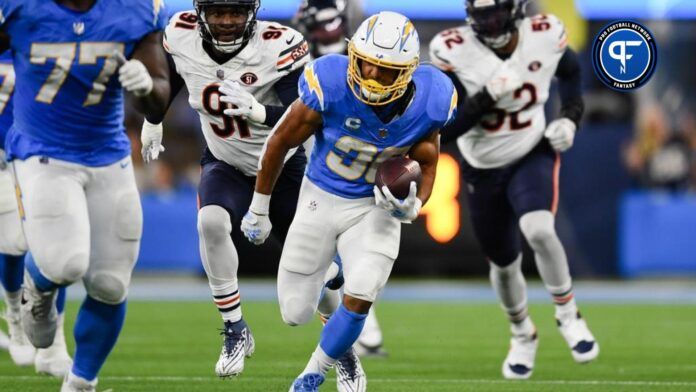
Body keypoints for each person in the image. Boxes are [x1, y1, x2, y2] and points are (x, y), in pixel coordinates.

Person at [140, 0, 360, 383]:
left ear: (253, 12)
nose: (227, 21)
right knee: (210, 222)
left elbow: (306, 112)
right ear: (201, 12)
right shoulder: (180, 34)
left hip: (280, 167)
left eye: (236, 12)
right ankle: (235, 327)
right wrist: (153, 119)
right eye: (218, 12)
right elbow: (175, 73)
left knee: (320, 272)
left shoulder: (278, 45)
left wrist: (260, 113)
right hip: (224, 160)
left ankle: (339, 347)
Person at [241, 11, 457, 391]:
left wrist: (416, 203)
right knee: (294, 313)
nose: (372, 79)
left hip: (375, 206)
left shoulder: (431, 100)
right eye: (367, 66)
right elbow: (279, 143)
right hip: (321, 196)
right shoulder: (330, 82)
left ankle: (314, 372)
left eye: (386, 71)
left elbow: (428, 160)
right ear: (353, 56)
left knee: (364, 289)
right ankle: (335, 296)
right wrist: (259, 206)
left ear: (407, 72)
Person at [0, 0, 170, 390]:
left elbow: (159, 95)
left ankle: (81, 382)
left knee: (111, 284)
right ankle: (38, 284)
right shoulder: (20, 7)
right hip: (43, 151)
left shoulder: (134, 10)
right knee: (66, 265)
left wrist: (145, 88)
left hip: (108, 155)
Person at [429, 0, 597, 380]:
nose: (489, 22)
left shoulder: (544, 34)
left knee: (539, 229)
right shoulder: (453, 49)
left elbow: (571, 72)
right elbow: (446, 128)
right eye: (482, 14)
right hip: (482, 165)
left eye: (496, 13)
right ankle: (522, 333)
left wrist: (570, 119)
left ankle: (568, 314)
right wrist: (485, 98)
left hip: (529, 150)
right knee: (504, 266)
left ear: (516, 9)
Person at [293, 0, 387, 358]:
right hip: (323, 158)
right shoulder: (310, 60)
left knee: (348, 252)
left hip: (349, 160)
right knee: (334, 254)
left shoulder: (360, 56)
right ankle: (358, 329)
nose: (328, 34)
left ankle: (360, 329)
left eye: (333, 26)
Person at [0, 52, 72, 377]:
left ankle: (54, 342)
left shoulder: (40, 36)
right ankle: (15, 315)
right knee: (14, 245)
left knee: (56, 245)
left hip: (42, 153)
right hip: (4, 160)